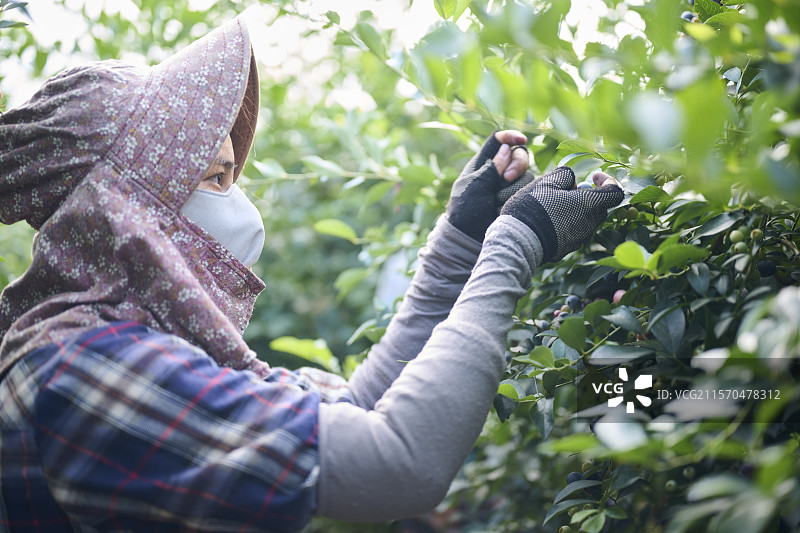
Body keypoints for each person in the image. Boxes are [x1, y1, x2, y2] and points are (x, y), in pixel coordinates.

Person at [0, 18, 623, 532]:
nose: (238, 203)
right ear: (125, 212)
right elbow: (398, 464)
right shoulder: (79, 365)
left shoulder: (131, 337)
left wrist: (462, 239)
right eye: (215, 177)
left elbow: (353, 408)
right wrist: (514, 246)